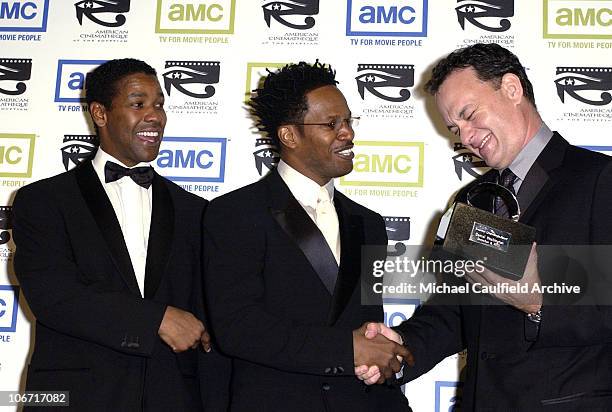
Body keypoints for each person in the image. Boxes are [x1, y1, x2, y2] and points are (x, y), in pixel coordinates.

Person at [357, 43, 612, 410]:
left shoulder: (600, 179)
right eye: (454, 127)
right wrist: (396, 350)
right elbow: (454, 311)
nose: (465, 136)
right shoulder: (470, 198)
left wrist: (538, 301)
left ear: (511, 89)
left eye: (469, 114)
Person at [13, 58, 230, 411]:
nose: (155, 116)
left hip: (173, 397)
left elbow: (211, 316)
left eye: (159, 104)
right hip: (76, 397)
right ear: (100, 113)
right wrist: (155, 319)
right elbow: (53, 295)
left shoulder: (197, 211)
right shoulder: (44, 201)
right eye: (138, 104)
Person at [202, 61, 411, 411]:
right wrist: (346, 348)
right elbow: (238, 327)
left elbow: (369, 330)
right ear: (289, 135)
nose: (347, 133)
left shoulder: (369, 223)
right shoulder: (235, 213)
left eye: (348, 121)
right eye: (332, 124)